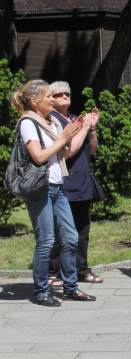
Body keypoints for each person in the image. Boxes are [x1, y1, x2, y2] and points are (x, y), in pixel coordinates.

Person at [11, 80, 96, 306]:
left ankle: (70, 287)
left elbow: (65, 152)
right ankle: (41, 290)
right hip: (40, 189)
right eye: (48, 96)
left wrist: (75, 131)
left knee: (70, 237)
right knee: (47, 240)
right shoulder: (29, 122)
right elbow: (38, 157)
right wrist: (63, 137)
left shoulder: (53, 122)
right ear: (34, 101)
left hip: (58, 188)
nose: (52, 99)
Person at [47, 81, 103, 285]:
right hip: (63, 182)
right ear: (49, 99)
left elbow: (93, 150)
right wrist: (85, 125)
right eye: (58, 94)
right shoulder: (51, 121)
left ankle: (81, 269)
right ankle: (52, 271)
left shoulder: (74, 119)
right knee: (59, 230)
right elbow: (68, 151)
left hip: (81, 182)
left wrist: (92, 129)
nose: (64, 96)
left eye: (67, 93)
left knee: (82, 229)